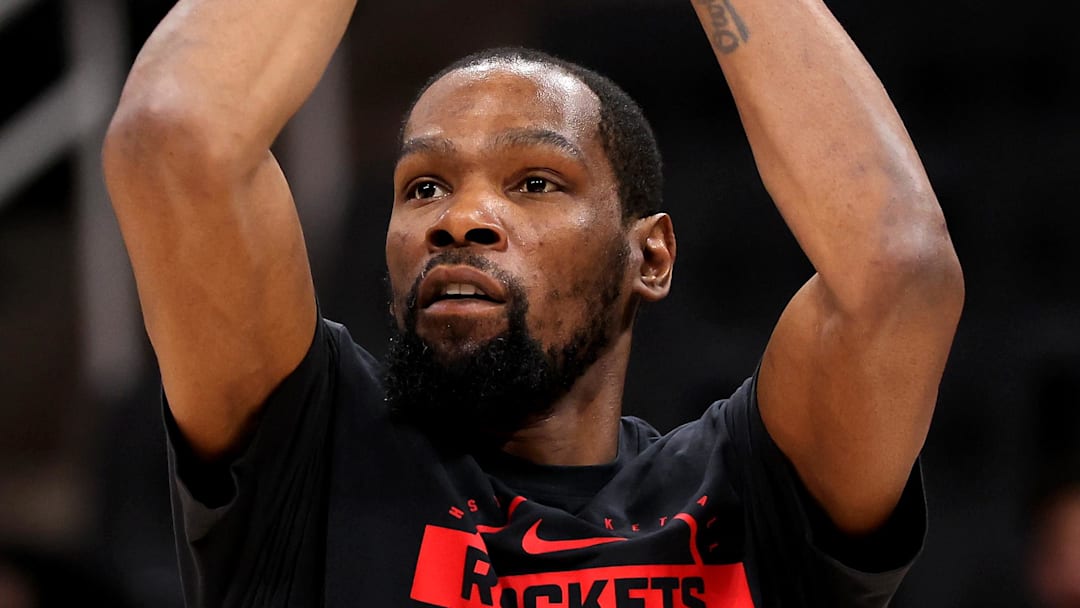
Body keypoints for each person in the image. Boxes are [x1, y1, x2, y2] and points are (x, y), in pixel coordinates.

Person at [101, 0, 964, 606]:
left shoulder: (746, 491)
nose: (461, 219)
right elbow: (173, 139)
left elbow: (900, 269)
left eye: (536, 181)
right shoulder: (313, 450)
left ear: (650, 254)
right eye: (425, 185)